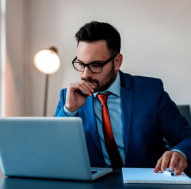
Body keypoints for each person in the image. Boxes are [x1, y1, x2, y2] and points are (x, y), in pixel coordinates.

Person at [54, 21, 191, 174]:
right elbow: (53, 150)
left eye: (96, 65)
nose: (85, 74)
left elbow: (186, 138)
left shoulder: (151, 91)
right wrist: (69, 110)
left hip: (145, 182)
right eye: (81, 64)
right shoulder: (68, 97)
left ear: (117, 62)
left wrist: (179, 152)